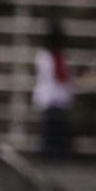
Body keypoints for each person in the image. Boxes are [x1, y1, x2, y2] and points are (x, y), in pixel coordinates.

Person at [33, 15, 74, 159]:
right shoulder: (43, 57)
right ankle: (48, 154)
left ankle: (60, 155)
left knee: (60, 131)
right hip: (49, 98)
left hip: (60, 98)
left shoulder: (63, 57)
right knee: (50, 130)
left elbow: (65, 77)